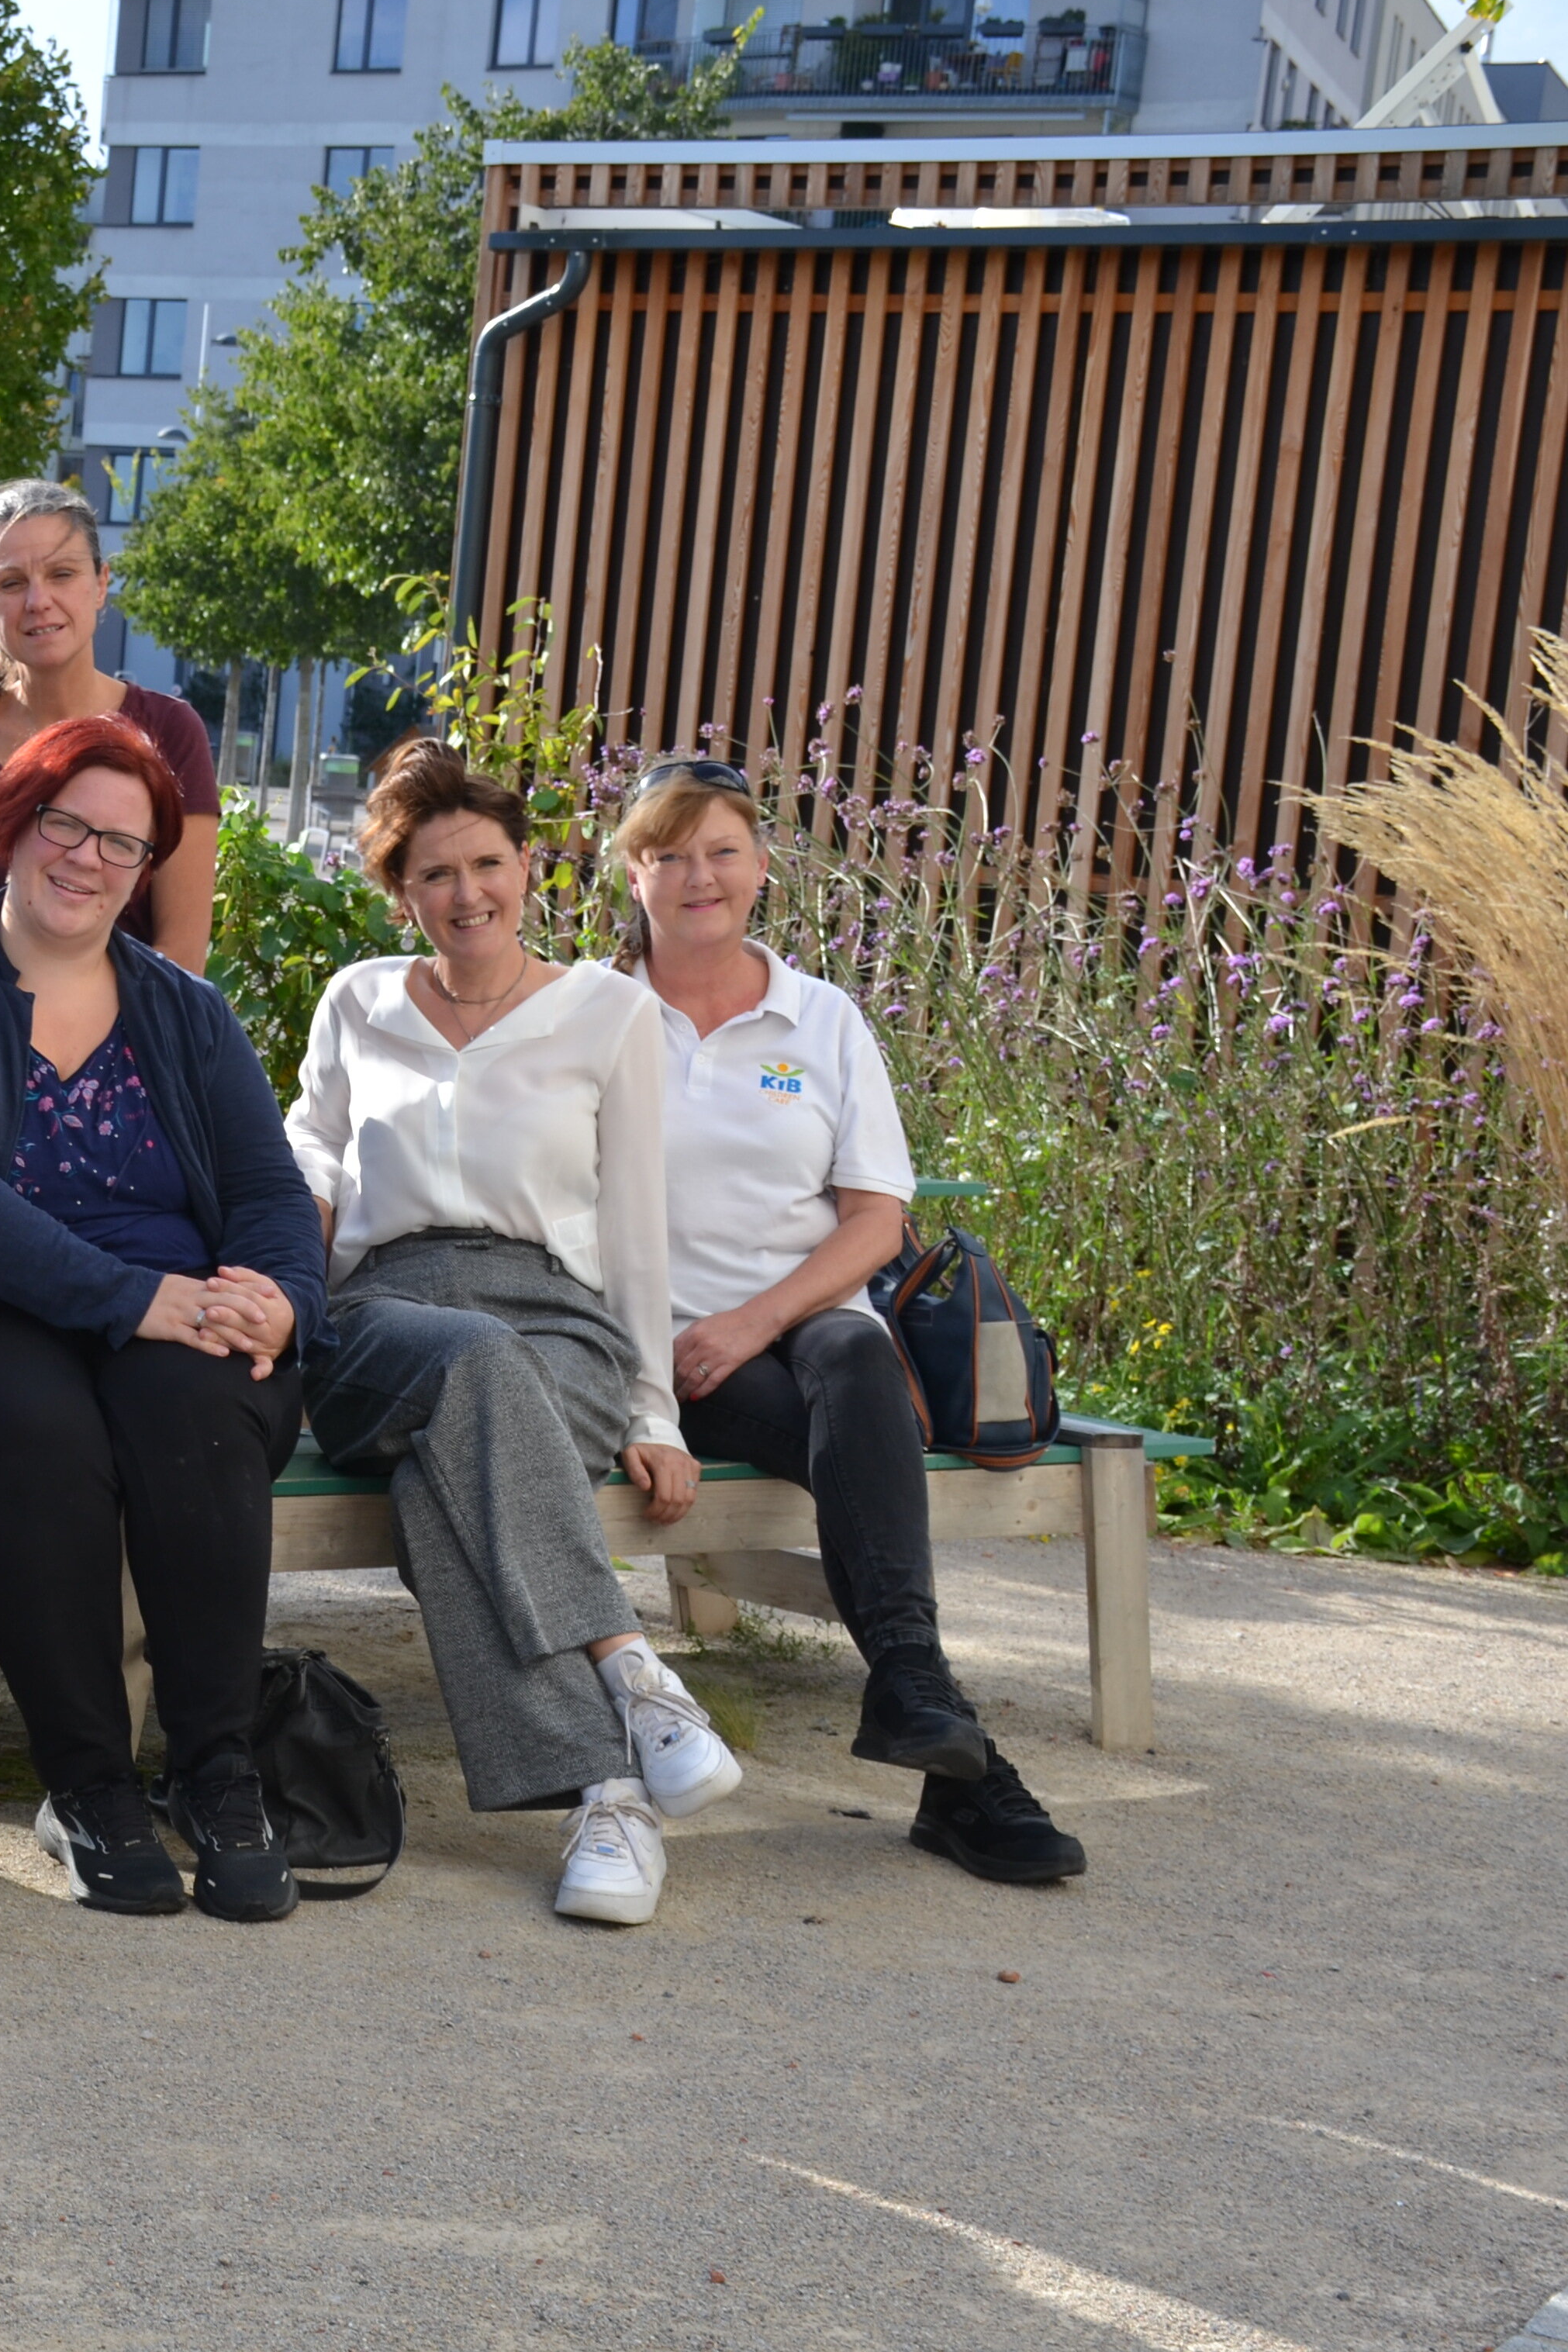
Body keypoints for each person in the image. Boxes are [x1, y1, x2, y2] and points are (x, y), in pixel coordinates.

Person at [0, 714, 325, 1922]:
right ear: (17, 825)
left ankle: (219, 1776)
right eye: (66, 824)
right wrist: (133, 1299)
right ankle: (91, 1788)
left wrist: (278, 1303)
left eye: (123, 841)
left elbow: (268, 1191)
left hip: (175, 1313)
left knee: (201, 1407)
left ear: (148, 864)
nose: (88, 859)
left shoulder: (188, 1013)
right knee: (43, 1436)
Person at [287, 737, 740, 1930]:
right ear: (402, 894)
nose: (467, 893)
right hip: (381, 1314)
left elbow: (637, 1223)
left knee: (461, 1449)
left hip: (557, 1320)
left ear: (530, 867)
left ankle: (606, 1794)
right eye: (435, 874)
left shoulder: (609, 1013)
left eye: (488, 863)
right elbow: (311, 1166)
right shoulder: (358, 1003)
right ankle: (629, 1668)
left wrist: (652, 1407)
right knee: (465, 1373)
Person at [616, 757, 1086, 1885]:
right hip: (673, 1348)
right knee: (843, 1416)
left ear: (763, 868)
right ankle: (960, 1763)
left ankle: (923, 1697)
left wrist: (758, 1316)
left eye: (723, 850)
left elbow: (878, 1222)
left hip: (807, 1319)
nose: (699, 875)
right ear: (633, 874)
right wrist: (696, 1346)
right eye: (670, 852)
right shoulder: (593, 1016)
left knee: (856, 1362)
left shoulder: (821, 1018)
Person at [0, 479, 220, 972]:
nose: (38, 601)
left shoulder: (170, 732)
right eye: (11, 583)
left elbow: (180, 956)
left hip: (131, 1039)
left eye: (62, 574)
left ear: (100, 584)